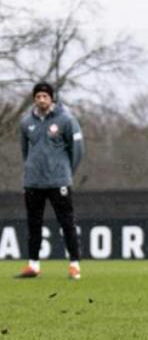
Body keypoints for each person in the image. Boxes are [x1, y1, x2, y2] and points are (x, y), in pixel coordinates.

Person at [16, 82, 84, 280]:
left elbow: (78, 150)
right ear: (34, 99)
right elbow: (25, 152)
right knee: (33, 224)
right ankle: (33, 265)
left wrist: (66, 172)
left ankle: (74, 265)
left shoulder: (66, 120)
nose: (41, 100)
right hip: (33, 182)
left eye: (45, 96)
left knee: (67, 223)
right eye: (38, 97)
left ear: (51, 98)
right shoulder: (26, 122)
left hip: (58, 181)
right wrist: (30, 171)